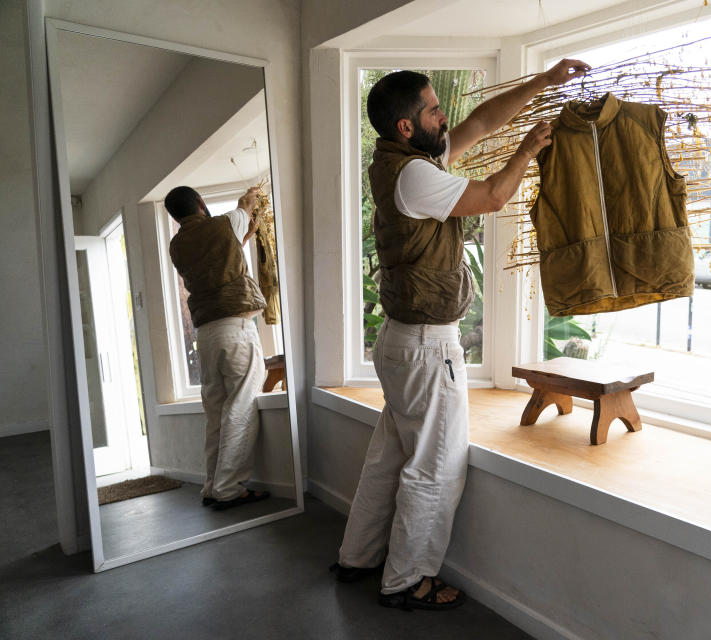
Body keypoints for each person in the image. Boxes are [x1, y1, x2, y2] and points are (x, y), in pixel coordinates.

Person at [332, 59, 590, 610]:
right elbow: (496, 195)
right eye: (432, 108)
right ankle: (406, 581)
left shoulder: (405, 160)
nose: (443, 114)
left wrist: (544, 82)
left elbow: (479, 122)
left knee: (390, 458)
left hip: (405, 342)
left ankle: (358, 557)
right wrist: (530, 149)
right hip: (426, 347)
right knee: (437, 466)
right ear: (407, 125)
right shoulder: (418, 176)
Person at [165, 185, 271, 511]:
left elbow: (217, 260)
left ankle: (212, 486)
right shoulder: (223, 224)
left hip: (207, 335)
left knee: (216, 412)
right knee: (241, 406)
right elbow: (244, 205)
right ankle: (228, 489)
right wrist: (254, 193)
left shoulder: (177, 244)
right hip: (235, 328)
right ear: (200, 202)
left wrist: (245, 237)